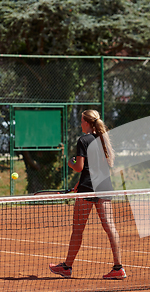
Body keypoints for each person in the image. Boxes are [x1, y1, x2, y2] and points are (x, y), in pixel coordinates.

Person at [49, 110, 126, 280]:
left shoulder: (83, 140)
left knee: (77, 230)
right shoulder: (103, 140)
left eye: (82, 121)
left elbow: (79, 167)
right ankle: (118, 267)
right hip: (104, 186)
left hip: (89, 189)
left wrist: (70, 161)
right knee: (110, 227)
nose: (80, 124)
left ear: (87, 122)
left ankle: (67, 267)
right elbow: (96, 167)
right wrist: (79, 183)